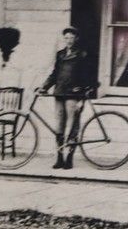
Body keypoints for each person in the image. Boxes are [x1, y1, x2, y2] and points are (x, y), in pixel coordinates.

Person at [39, 26, 91, 170]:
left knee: (72, 126)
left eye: (71, 38)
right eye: (66, 38)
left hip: (73, 93)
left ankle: (69, 158)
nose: (69, 41)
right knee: (59, 126)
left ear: (76, 39)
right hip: (60, 93)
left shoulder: (81, 54)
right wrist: (44, 87)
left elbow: (85, 75)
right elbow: (55, 74)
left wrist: (82, 93)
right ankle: (59, 158)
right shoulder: (60, 54)